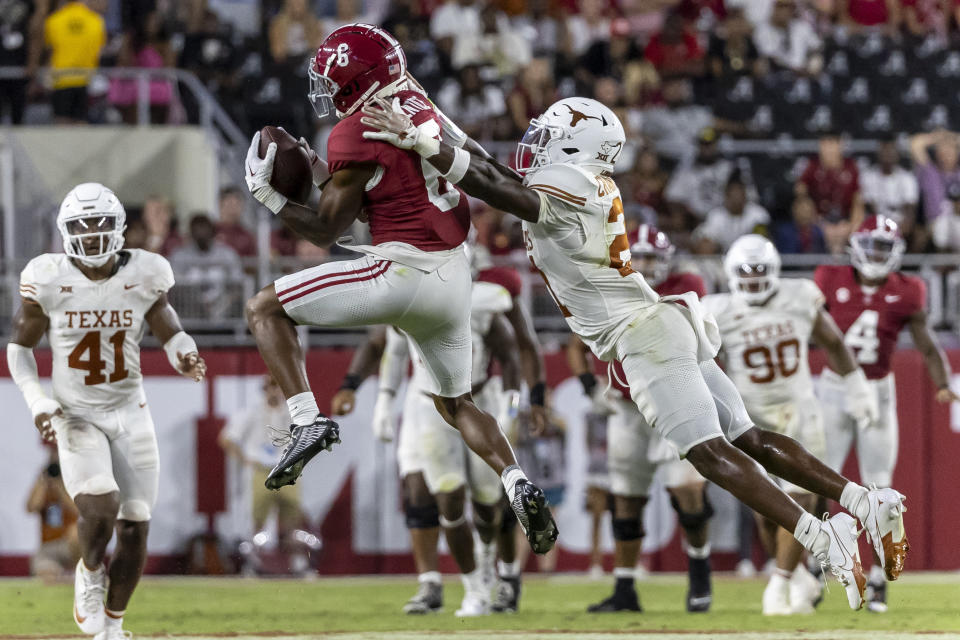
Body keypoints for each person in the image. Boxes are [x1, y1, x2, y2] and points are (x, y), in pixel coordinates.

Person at [361, 92, 910, 609]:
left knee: (710, 455)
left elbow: (490, 182)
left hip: (641, 335)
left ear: (573, 147)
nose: (535, 143)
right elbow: (489, 167)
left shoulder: (570, 184)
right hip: (659, 323)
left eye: (548, 135)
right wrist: (426, 111)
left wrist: (424, 141)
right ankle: (864, 501)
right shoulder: (583, 181)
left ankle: (821, 535)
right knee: (749, 439)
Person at [242, 24, 557, 558]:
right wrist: (319, 168)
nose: (325, 89)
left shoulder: (352, 132)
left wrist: (268, 198)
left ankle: (305, 421)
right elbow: (382, 192)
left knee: (264, 308)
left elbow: (328, 231)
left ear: (354, 79)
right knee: (457, 403)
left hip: (402, 272)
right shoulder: (415, 100)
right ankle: (514, 478)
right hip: (454, 275)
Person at [7, 183, 206, 640]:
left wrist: (184, 352)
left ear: (119, 227)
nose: (92, 233)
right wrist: (39, 401)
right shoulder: (49, 277)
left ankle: (112, 627)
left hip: (129, 410)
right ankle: (89, 570)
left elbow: (167, 323)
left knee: (135, 527)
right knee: (100, 504)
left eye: (100, 223)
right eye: (82, 225)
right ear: (65, 231)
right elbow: (19, 349)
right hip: (76, 413)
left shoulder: (146, 271)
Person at [704, 235, 875, 615]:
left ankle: (779, 583)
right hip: (747, 418)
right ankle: (798, 576)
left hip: (798, 411)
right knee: (765, 511)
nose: (752, 279)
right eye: (745, 273)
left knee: (799, 498)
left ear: (775, 271)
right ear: (731, 274)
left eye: (760, 271)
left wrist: (857, 386)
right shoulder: (716, 309)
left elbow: (832, 341)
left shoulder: (799, 296)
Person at [815, 215, 959, 612]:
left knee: (882, 493)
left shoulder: (908, 290)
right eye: (872, 245)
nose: (876, 255)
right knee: (817, 480)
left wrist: (943, 383)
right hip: (833, 388)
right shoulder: (829, 277)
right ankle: (816, 567)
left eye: (884, 247)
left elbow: (928, 345)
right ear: (857, 245)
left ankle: (879, 580)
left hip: (877, 390)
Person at [568, 226, 714, 613]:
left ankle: (700, 571)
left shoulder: (686, 285)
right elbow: (576, 339)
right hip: (627, 408)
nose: (647, 264)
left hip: (674, 402)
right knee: (626, 501)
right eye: (641, 256)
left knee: (688, 494)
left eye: (653, 256)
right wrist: (587, 382)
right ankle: (625, 587)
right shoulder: (609, 284)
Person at [374, 278, 521, 617]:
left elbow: (512, 356)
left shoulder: (483, 304)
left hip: (479, 401)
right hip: (431, 406)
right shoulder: (408, 300)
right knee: (448, 496)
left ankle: (487, 563)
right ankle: (473, 589)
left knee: (487, 502)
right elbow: (391, 352)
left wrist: (511, 409)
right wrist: (383, 402)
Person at [43, 0, 106, 124]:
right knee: (81, 123)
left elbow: (49, 50)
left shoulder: (54, 19)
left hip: (61, 78)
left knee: (62, 122)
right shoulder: (96, 20)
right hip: (86, 78)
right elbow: (99, 51)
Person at [27, 450, 80, 582]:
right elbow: (31, 508)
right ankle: (63, 578)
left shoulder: (73, 484)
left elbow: (79, 511)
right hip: (49, 546)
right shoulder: (43, 486)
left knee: (76, 532)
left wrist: (60, 488)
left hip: (70, 544)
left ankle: (81, 571)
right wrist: (43, 482)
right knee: (47, 575)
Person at [693, 173, 771, 253]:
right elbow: (707, 239)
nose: (736, 199)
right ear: (726, 197)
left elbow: (761, 240)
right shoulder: (716, 215)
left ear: (745, 196)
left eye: (739, 195)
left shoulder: (757, 214)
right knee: (705, 245)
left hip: (750, 257)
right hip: (723, 257)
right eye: (733, 195)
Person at [216, 186, 257, 257]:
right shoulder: (212, 232)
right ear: (220, 204)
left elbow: (252, 264)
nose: (233, 208)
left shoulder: (247, 236)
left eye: (237, 204)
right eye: (230, 203)